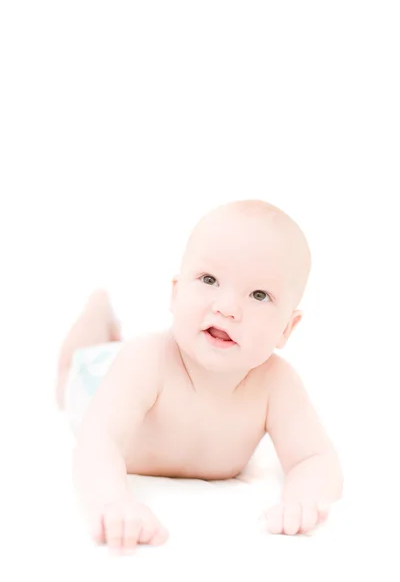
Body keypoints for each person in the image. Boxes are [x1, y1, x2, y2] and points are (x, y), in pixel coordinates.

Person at [56, 199, 343, 555]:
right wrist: (112, 503)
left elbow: (314, 459)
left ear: (287, 327)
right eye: (209, 279)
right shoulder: (146, 360)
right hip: (95, 379)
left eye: (259, 295)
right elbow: (98, 443)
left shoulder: (276, 384)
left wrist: (304, 498)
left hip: (124, 377)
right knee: (72, 367)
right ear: (176, 293)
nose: (227, 307)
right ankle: (97, 312)